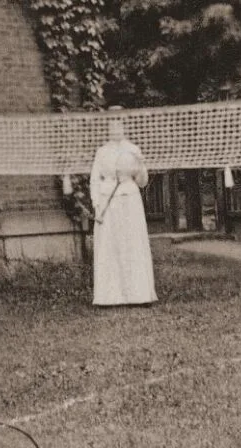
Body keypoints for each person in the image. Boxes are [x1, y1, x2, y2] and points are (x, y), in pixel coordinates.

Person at [90, 107, 157, 306]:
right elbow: (94, 179)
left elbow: (143, 181)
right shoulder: (102, 151)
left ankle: (139, 295)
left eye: (119, 122)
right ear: (107, 125)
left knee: (132, 243)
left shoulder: (133, 149)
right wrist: (96, 204)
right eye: (112, 122)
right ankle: (109, 297)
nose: (116, 126)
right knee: (110, 245)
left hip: (130, 201)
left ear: (125, 125)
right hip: (108, 203)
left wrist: (141, 165)